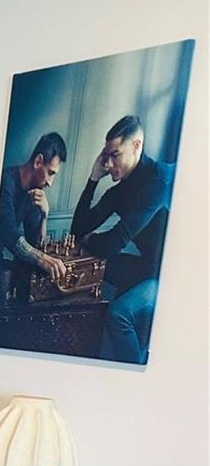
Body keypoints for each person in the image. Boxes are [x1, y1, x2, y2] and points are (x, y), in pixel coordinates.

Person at [72, 115, 175, 364]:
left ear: (136, 146)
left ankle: (138, 375)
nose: (108, 164)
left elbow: (114, 242)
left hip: (173, 275)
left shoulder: (159, 179)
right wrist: (93, 179)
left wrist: (91, 238)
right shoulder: (117, 192)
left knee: (118, 314)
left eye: (115, 155)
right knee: (95, 267)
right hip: (148, 267)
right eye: (105, 156)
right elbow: (78, 229)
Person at [0, 132, 70, 293]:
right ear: (38, 161)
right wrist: (44, 260)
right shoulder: (5, 181)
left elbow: (35, 244)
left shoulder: (34, 192)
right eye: (50, 173)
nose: (50, 182)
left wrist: (44, 215)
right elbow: (10, 235)